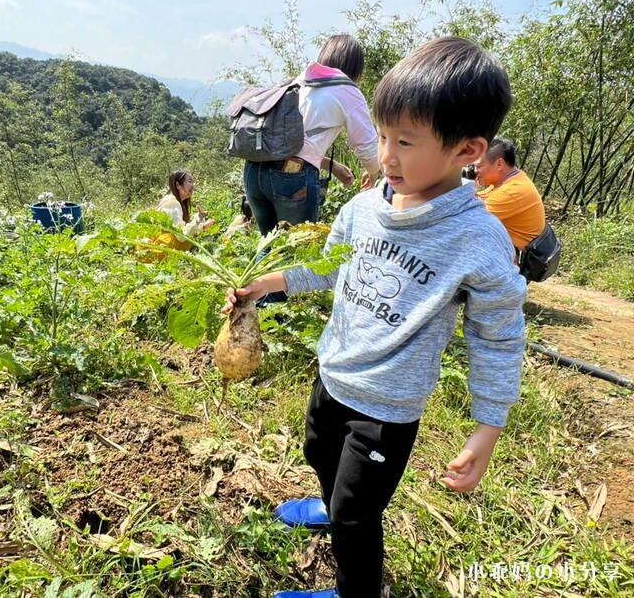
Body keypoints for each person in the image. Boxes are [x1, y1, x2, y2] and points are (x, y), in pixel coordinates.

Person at [223, 37, 527, 598]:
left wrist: (488, 425)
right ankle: (328, 503)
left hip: (386, 406)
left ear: (467, 150)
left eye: (405, 142)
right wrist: (269, 284)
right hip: (333, 371)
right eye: (383, 136)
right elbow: (328, 266)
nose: (385, 156)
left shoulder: (476, 238)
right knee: (318, 450)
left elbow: (498, 336)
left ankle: (354, 591)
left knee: (359, 517)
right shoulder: (366, 205)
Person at [243, 34, 381, 240]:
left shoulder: (297, 82)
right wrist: (373, 172)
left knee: (268, 245)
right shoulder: (347, 90)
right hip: (290, 177)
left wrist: (332, 166)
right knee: (299, 252)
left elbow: (290, 144)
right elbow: (368, 149)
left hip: (253, 171)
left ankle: (259, 274)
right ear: (355, 66)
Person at [474, 138, 545, 253]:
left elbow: (470, 218)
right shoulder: (509, 180)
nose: (475, 171)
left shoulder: (513, 191)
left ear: (499, 164)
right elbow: (480, 199)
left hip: (510, 262)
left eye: (479, 166)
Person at [150, 168, 214, 255]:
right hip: (158, 255)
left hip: (156, 252)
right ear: (177, 185)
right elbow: (181, 236)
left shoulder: (168, 200)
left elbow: (180, 230)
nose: (193, 185)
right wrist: (198, 219)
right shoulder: (173, 203)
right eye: (190, 181)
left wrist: (202, 226)